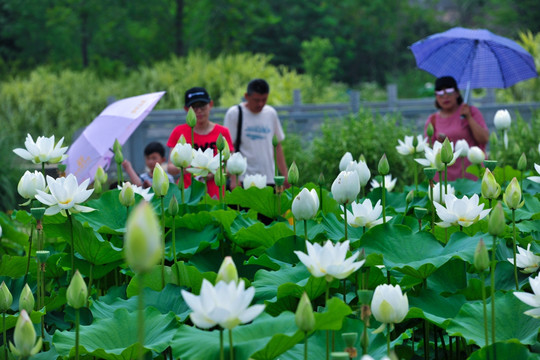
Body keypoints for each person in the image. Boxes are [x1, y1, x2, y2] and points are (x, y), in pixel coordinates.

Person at [167, 87, 234, 198]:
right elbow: (170, 167)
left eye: (202, 105)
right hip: (187, 192)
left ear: (210, 104)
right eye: (193, 107)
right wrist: (186, 167)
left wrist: (214, 172)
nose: (198, 110)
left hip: (215, 192)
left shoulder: (222, 132)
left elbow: (230, 165)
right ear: (186, 109)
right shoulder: (179, 132)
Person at [224, 79, 288, 188]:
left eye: (264, 99)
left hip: (269, 177)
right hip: (244, 178)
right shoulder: (235, 113)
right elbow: (229, 148)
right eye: (256, 100)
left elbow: (277, 146)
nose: (260, 104)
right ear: (246, 96)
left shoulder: (271, 113)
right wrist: (234, 178)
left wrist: (285, 176)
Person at [424, 76, 489, 181]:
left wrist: (468, 117)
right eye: (440, 92)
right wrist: (443, 145)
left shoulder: (470, 112)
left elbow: (484, 139)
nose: (445, 96)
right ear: (436, 96)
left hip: (473, 176)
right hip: (445, 177)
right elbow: (428, 150)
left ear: (457, 93)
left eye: (449, 91)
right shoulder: (433, 120)